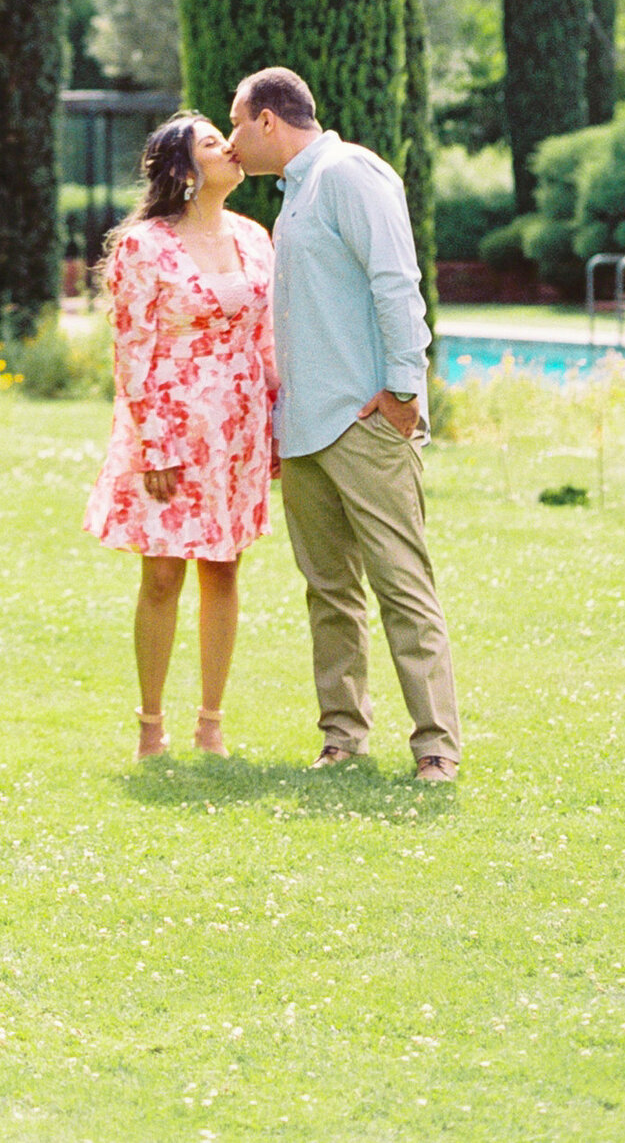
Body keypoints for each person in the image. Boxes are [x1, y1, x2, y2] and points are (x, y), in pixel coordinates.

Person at [229, 65, 462, 783]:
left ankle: (436, 748)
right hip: (302, 429)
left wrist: (403, 389)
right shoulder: (294, 198)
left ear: (269, 119)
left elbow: (397, 280)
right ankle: (342, 738)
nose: (232, 139)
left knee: (401, 584)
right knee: (328, 591)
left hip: (363, 425)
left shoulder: (350, 173)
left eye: (237, 122)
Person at [84, 112, 279, 760]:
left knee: (223, 570)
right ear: (183, 170)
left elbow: (266, 335)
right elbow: (132, 349)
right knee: (164, 575)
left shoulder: (255, 238)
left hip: (238, 433)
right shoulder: (145, 246)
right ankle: (150, 726)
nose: (230, 149)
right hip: (170, 430)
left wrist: (276, 423)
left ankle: (211, 722)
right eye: (211, 143)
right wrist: (155, 445)